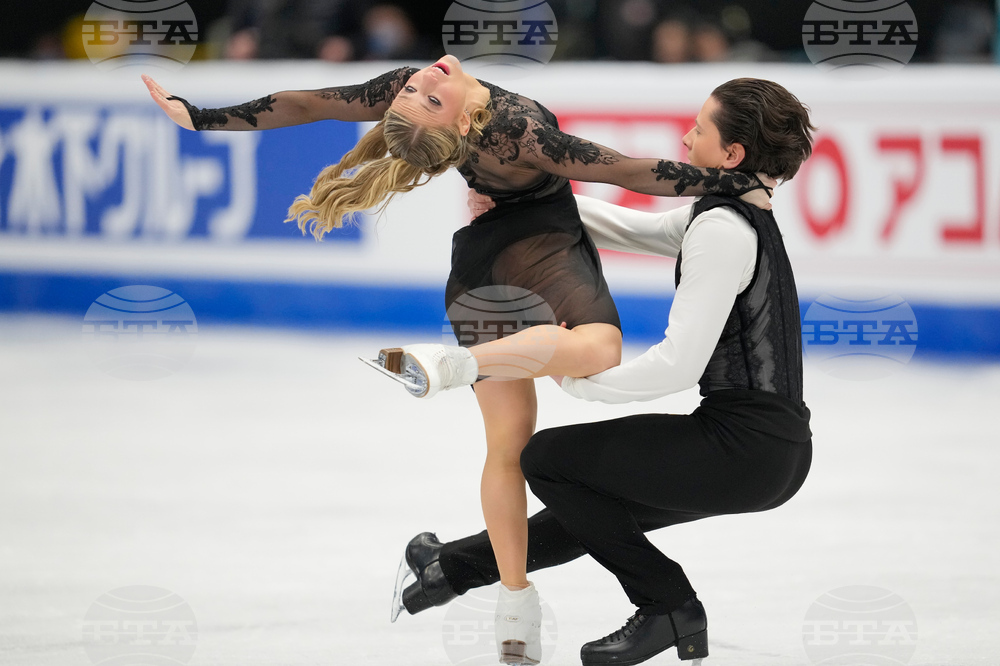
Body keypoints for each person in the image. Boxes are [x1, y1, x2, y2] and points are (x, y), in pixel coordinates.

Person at [142, 58, 771, 665]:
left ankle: (516, 614)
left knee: (506, 450)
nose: (421, 80)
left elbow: (307, 104)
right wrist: (738, 183)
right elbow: (627, 170)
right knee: (601, 347)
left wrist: (199, 118)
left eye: (416, 90)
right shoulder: (514, 131)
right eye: (426, 97)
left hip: (477, 268)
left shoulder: (426, 98)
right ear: (464, 128)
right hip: (544, 254)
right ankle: (455, 367)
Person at [394, 77, 815, 666]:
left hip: (744, 448)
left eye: (700, 128)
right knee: (586, 509)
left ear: (731, 156)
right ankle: (451, 568)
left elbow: (677, 364)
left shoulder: (722, 231)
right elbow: (635, 229)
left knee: (549, 460)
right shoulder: (728, 214)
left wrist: (579, 379)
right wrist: (522, 203)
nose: (686, 135)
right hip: (772, 448)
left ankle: (671, 606)